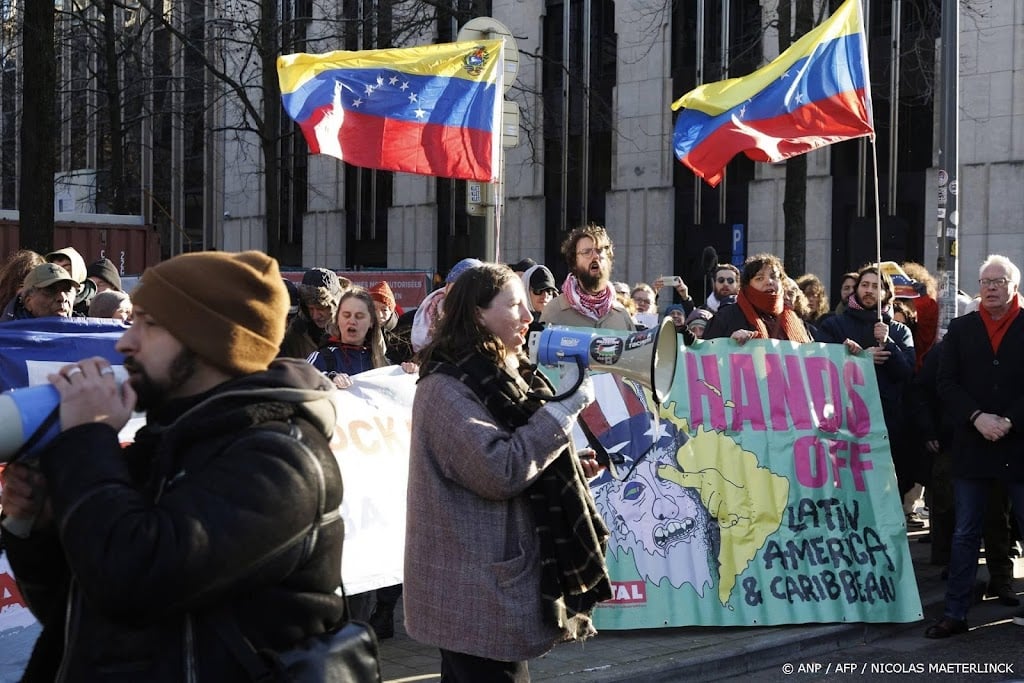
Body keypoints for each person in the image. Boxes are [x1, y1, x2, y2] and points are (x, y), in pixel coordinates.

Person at [0, 250, 346, 680]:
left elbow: (131, 582)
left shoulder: (283, 461)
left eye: (148, 324)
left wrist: (87, 439)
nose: (125, 342)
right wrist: (38, 523)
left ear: (206, 340)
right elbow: (76, 611)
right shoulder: (166, 441)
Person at [405, 263, 611, 681]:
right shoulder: (445, 388)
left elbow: (519, 454)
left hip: (484, 585)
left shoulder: (495, 377)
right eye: (514, 305)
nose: (528, 316)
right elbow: (499, 470)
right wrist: (563, 413)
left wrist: (563, 464)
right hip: (473, 589)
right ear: (478, 314)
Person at [923, 254, 1024, 638]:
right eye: (985, 282)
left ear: (1013, 286)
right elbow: (946, 383)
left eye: (999, 281)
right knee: (965, 532)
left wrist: (1010, 420)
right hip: (973, 443)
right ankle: (955, 613)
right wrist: (977, 417)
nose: (991, 287)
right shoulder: (962, 329)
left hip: (1018, 443)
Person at [817, 265, 916, 512]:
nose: (869, 291)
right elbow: (822, 366)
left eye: (876, 286)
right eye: (865, 285)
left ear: (886, 293)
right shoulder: (834, 324)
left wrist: (889, 344)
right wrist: (859, 359)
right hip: (845, 422)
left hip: (887, 423)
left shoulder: (900, 330)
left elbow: (907, 372)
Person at [540, 223, 634, 330]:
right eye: (587, 252)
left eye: (599, 251)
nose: (595, 256)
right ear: (574, 262)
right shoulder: (554, 312)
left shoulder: (621, 314)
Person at [703, 254, 812, 344]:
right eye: (759, 278)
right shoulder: (726, 317)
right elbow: (706, 358)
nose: (769, 282)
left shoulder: (797, 322)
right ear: (747, 286)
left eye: (774, 277)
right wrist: (729, 343)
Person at [412, 257, 483, 351]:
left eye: (470, 289)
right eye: (458, 286)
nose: (462, 292)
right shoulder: (416, 318)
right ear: (447, 285)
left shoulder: (485, 319)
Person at [278, 267, 348, 359]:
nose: (315, 316)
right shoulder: (294, 333)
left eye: (321, 308)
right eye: (310, 308)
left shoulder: (350, 331)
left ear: (336, 305)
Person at [1, 262, 81, 321]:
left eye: (67, 290)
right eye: (50, 290)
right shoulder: (7, 338)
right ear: (28, 302)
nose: (62, 298)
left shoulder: (85, 332)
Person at [370, 280, 414, 364]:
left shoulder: (404, 334)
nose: (379, 314)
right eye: (374, 308)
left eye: (384, 309)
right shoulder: (363, 332)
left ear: (391, 311)